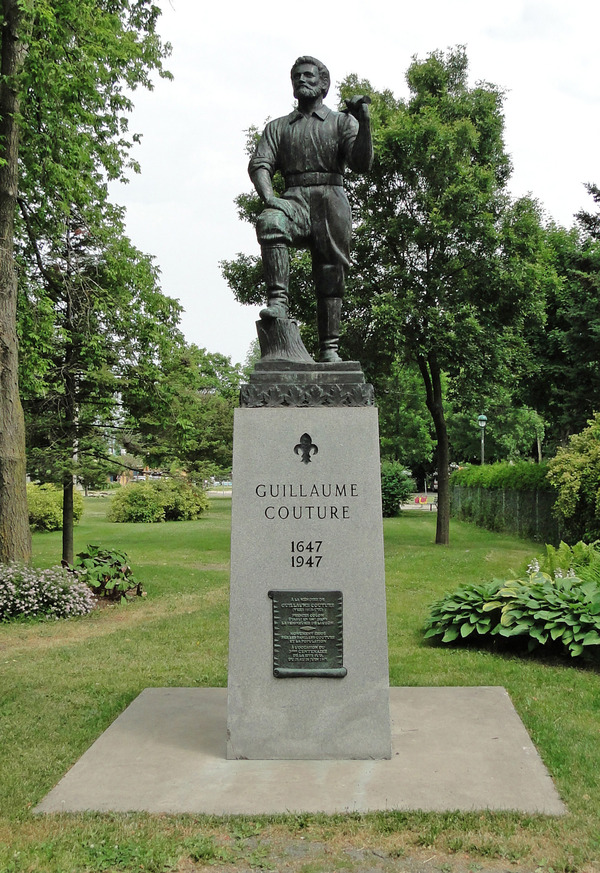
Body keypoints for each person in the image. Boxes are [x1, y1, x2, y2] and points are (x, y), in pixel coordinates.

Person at [249, 56, 373, 363]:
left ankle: (329, 348)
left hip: (332, 198)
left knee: (330, 273)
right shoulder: (278, 127)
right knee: (270, 221)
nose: (301, 80)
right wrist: (269, 197)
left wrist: (364, 122)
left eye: (308, 75)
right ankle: (278, 301)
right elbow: (260, 164)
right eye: (296, 77)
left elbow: (361, 164)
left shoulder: (343, 122)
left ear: (323, 84)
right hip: (293, 200)